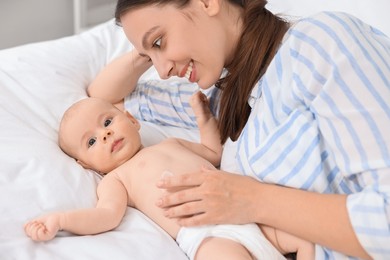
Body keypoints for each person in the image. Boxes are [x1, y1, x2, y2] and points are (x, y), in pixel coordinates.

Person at [114, 0, 390, 259]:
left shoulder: (319, 43)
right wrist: (143, 52)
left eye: (160, 41)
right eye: (150, 55)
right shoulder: (223, 99)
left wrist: (252, 199)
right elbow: (113, 100)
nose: (162, 71)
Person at [24, 95, 313, 259]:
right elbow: (106, 216)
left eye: (108, 121)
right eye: (91, 142)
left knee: (308, 235)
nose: (106, 134)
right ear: (86, 165)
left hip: (243, 208)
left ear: (133, 121)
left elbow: (213, 152)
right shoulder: (117, 179)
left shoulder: (170, 143)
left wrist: (204, 119)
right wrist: (61, 221)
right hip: (208, 235)